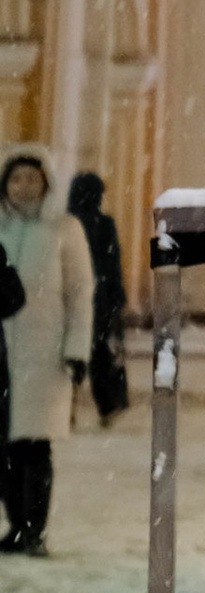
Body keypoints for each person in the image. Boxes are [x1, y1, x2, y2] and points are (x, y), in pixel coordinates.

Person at [0, 149, 90, 555]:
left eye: (31, 179)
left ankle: (35, 529)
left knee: (35, 446)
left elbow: (79, 292)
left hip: (44, 353)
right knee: (4, 448)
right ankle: (15, 525)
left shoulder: (64, 229)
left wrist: (76, 347)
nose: (23, 187)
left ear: (46, 183)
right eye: (16, 179)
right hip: (0, 355)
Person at [66, 169, 127, 421]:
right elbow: (113, 263)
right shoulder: (103, 224)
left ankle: (69, 405)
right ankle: (107, 406)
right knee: (101, 354)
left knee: (74, 352)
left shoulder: (67, 223)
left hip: (73, 296)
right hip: (100, 298)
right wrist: (116, 295)